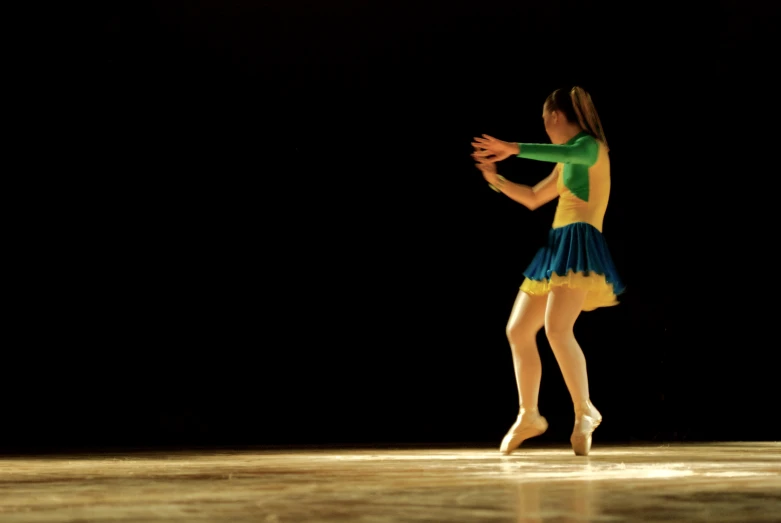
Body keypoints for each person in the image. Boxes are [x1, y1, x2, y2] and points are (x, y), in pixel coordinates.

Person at [471, 86, 624, 456]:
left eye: (545, 123)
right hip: (557, 248)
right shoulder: (567, 160)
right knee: (519, 329)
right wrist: (496, 179)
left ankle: (585, 409)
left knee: (557, 329)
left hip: (580, 245)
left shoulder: (590, 147)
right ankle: (529, 414)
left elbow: (565, 151)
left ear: (555, 117)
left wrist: (514, 148)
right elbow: (535, 197)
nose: (545, 130)